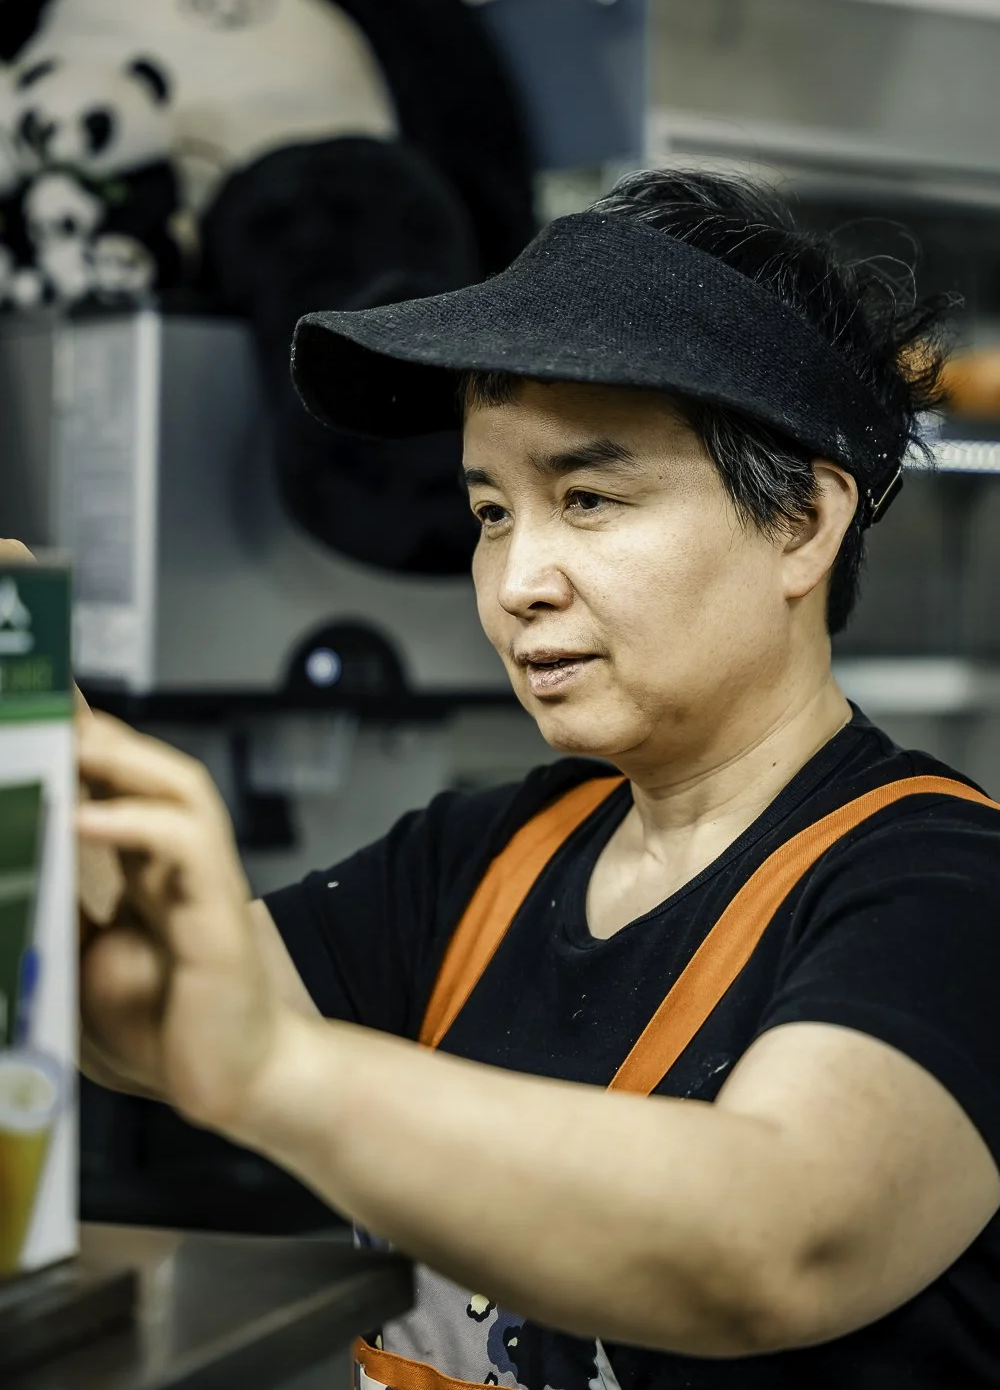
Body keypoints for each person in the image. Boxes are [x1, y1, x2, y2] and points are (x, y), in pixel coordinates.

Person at [72, 170, 1000, 1389]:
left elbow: (778, 1240)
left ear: (801, 524)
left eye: (588, 498)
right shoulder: (478, 864)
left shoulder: (944, 890)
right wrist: (36, 761)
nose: (516, 584)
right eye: (493, 512)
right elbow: (138, 1010)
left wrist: (271, 1070)